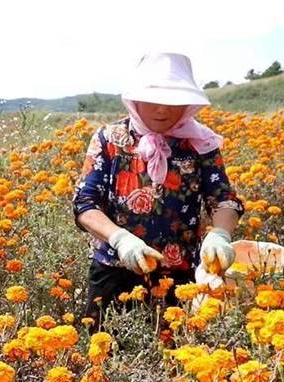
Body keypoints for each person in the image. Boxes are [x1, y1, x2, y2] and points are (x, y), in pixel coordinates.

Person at [72, 52, 244, 329]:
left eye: (172, 101)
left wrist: (221, 235)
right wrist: (121, 240)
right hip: (116, 269)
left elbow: (223, 199)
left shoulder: (200, 143)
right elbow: (85, 204)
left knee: (177, 353)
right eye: (153, 99)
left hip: (180, 273)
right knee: (106, 354)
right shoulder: (110, 139)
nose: (162, 110)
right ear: (135, 98)